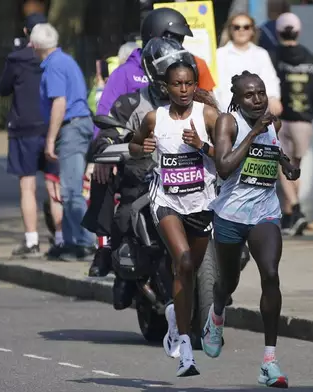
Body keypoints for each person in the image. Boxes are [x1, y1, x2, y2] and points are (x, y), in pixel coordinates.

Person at [86, 6, 217, 276]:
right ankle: (106, 246)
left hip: (197, 181)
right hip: (147, 176)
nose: (179, 88)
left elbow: (224, 129)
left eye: (185, 83)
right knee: (108, 182)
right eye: (170, 81)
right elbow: (108, 121)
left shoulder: (200, 99)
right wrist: (113, 147)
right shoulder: (131, 94)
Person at [128, 37, 220, 377]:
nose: (183, 90)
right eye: (176, 84)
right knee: (181, 261)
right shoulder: (155, 118)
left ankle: (173, 317)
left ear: (195, 86)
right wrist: (143, 146)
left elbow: (227, 156)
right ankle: (185, 349)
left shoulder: (208, 115)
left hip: (202, 203)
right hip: (166, 200)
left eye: (188, 84)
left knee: (190, 271)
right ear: (165, 88)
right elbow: (135, 146)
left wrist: (202, 145)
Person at [201, 71, 295, 388]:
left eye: (261, 93)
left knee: (270, 272)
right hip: (230, 215)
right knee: (228, 282)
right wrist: (254, 132)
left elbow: (273, 155)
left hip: (265, 212)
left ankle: (269, 360)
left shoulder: (274, 124)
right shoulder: (229, 122)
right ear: (238, 99)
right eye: (249, 95)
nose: (257, 100)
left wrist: (287, 164)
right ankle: (216, 313)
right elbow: (225, 168)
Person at [0, 13, 63, 257]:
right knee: (54, 185)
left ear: (26, 33)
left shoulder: (17, 59)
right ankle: (60, 238)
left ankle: (32, 241)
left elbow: (2, 89)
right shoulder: (59, 59)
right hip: (52, 128)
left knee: (27, 186)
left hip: (23, 128)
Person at [30, 23, 95, 260]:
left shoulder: (54, 66)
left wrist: (50, 139)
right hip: (78, 126)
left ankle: (84, 242)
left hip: (71, 128)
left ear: (36, 45)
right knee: (69, 189)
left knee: (71, 190)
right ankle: (70, 241)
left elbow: (59, 103)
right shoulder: (65, 61)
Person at [270, 12, 313, 236]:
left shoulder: (273, 56)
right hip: (304, 119)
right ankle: (290, 215)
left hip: (281, 119)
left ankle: (295, 211)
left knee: (283, 166)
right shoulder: (310, 57)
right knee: (295, 167)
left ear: (278, 32)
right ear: (298, 31)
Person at [216, 13, 282, 116]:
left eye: (246, 27)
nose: (241, 30)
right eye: (237, 27)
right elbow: (217, 86)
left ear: (252, 30)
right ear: (230, 30)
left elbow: (270, 80)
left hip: (257, 113)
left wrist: (273, 97)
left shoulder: (261, 54)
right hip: (228, 112)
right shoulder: (219, 54)